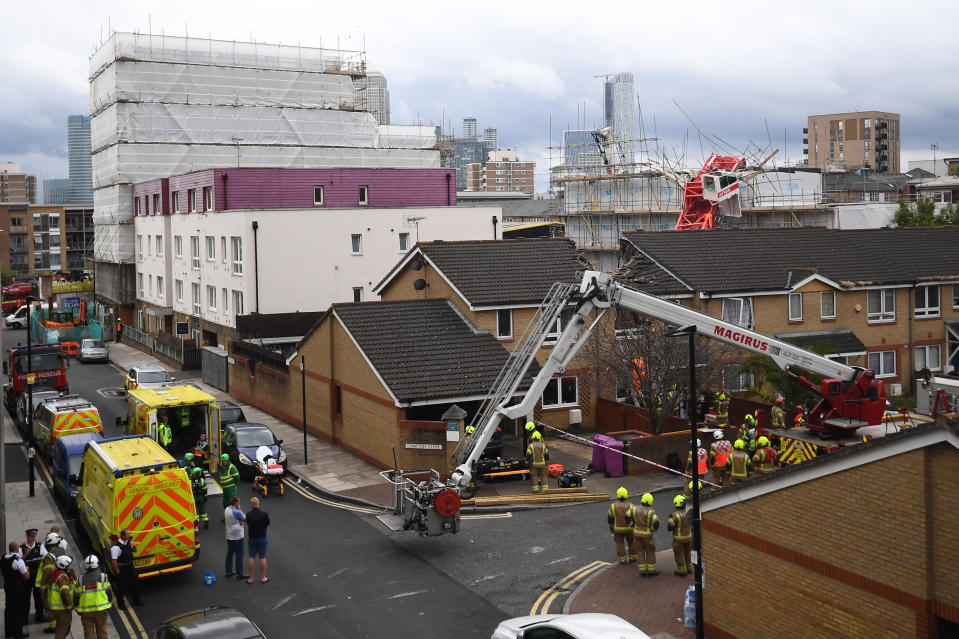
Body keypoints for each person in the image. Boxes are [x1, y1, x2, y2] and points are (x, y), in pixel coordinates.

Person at [74, 555, 111, 639]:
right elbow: (109, 593)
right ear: (96, 565)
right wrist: (109, 604)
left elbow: (76, 597)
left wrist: (77, 608)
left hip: (85, 611)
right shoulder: (103, 577)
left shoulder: (79, 580)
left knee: (88, 632)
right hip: (101, 610)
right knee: (102, 631)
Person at [35, 531, 66, 635]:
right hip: (61, 581)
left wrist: (42, 585)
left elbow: (47, 571)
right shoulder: (61, 550)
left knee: (48, 604)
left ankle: (53, 626)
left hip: (51, 584)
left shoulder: (49, 556)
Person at [2, 540, 30, 639]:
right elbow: (26, 576)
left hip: (8, 587)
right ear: (17, 549)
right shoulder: (18, 561)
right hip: (17, 589)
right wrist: (27, 569)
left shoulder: (3, 558)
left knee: (9, 609)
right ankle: (18, 634)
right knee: (18, 610)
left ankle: (8, 633)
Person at [20, 528, 47, 624]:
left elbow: (46, 558)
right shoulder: (22, 548)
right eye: (31, 536)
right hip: (27, 577)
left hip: (37, 576)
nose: (33, 538)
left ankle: (39, 616)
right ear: (27, 536)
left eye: (34, 536)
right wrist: (26, 555)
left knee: (38, 597)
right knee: (26, 598)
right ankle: (24, 618)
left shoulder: (40, 546)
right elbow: (19, 562)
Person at [110, 529, 141, 609]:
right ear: (123, 536)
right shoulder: (116, 547)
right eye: (128, 534)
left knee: (135, 583)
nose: (129, 535)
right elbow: (114, 561)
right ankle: (121, 604)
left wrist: (134, 546)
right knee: (121, 587)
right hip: (122, 568)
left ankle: (136, 601)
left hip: (130, 566)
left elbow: (135, 551)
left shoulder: (129, 542)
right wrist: (117, 571)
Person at [46, 555, 75, 639]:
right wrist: (69, 606)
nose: (69, 566)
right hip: (62, 608)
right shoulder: (62, 577)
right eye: (68, 565)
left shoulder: (55, 573)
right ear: (63, 565)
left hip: (54, 606)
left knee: (60, 628)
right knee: (62, 630)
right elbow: (65, 594)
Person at [632, 493, 660, 577]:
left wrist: (632, 525)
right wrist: (652, 529)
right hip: (647, 535)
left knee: (639, 552)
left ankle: (642, 571)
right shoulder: (651, 512)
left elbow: (627, 516)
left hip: (636, 533)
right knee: (650, 552)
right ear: (650, 502)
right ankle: (651, 571)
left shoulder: (634, 509)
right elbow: (656, 523)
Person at [606, 487, 636, 564]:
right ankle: (633, 557)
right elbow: (635, 517)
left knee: (620, 543)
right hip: (629, 529)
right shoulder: (631, 505)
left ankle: (622, 559)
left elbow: (610, 518)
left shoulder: (613, 506)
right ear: (626, 495)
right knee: (631, 542)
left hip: (618, 529)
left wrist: (611, 527)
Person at [245, 497, 271, 584]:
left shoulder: (248, 514)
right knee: (262, 557)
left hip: (252, 538)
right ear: (258, 503)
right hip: (262, 537)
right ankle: (263, 577)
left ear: (251, 504)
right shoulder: (264, 514)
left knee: (251, 557)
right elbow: (268, 523)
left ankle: (251, 579)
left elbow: (247, 522)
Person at [667, 495, 693, 577]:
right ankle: (689, 568)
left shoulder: (675, 515)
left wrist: (671, 519)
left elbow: (669, 527)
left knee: (679, 554)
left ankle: (682, 571)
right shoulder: (689, 512)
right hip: (688, 537)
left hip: (679, 539)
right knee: (687, 552)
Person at [224, 496, 246, 579]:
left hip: (229, 536)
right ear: (236, 503)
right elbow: (245, 518)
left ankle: (228, 571)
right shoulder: (236, 512)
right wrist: (240, 509)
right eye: (238, 502)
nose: (239, 503)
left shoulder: (227, 509)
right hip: (237, 537)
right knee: (239, 555)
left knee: (230, 553)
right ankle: (239, 573)